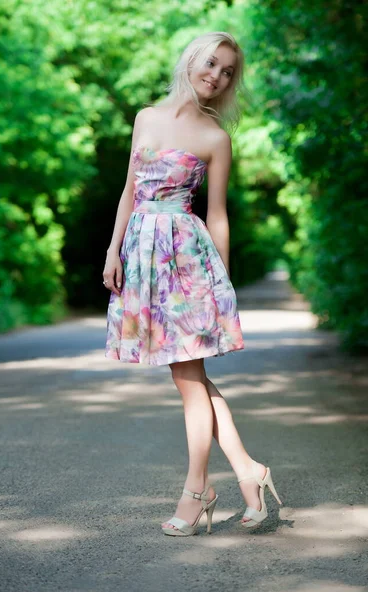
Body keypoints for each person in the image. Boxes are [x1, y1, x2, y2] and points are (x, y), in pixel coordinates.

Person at [103, 32, 282, 537]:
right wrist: (113, 250)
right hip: (141, 255)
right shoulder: (145, 118)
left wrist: (218, 282)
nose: (217, 76)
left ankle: (198, 487)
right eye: (212, 63)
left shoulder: (215, 137)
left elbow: (217, 214)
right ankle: (248, 470)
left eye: (228, 72)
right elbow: (129, 192)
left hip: (186, 261)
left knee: (187, 380)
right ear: (191, 60)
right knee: (190, 378)